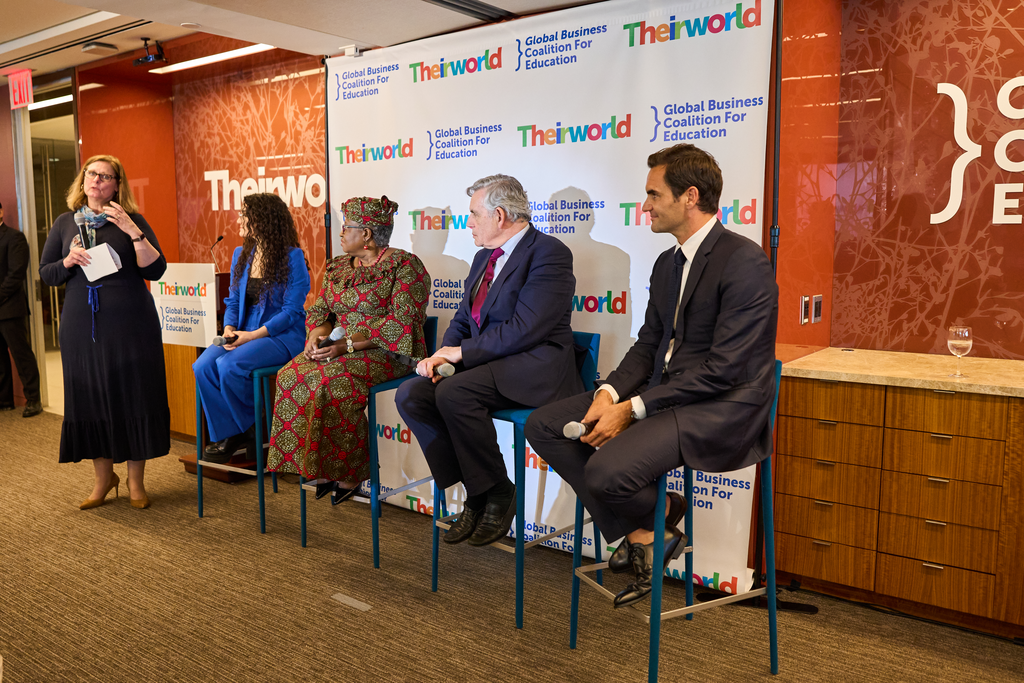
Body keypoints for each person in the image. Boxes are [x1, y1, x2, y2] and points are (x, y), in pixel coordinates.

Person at [525, 144, 779, 608]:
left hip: (723, 406)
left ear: (690, 197)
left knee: (605, 471)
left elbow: (726, 368)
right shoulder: (667, 264)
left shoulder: (744, 262)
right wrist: (608, 393)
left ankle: (652, 521)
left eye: (652, 194)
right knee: (543, 425)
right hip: (668, 395)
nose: (644, 206)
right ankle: (652, 524)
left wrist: (633, 408)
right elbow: (648, 346)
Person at [396, 174, 582, 547]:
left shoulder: (549, 252)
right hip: (489, 364)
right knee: (411, 394)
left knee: (454, 393)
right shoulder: (484, 257)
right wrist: (440, 355)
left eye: (473, 215)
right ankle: (478, 488)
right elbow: (464, 319)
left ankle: (496, 491)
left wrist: (461, 354)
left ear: (499, 215)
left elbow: (526, 328)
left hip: (535, 366)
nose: (469, 224)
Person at [266, 196, 430, 503]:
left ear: (366, 234)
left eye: (346, 228)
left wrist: (346, 346)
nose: (340, 234)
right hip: (338, 346)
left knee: (333, 380)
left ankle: (349, 471)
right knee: (290, 375)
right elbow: (321, 310)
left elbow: (403, 323)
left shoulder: (405, 267)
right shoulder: (337, 266)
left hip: (386, 350)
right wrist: (317, 335)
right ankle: (317, 465)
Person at [39, 154, 170, 510]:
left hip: (131, 326)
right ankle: (102, 481)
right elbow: (46, 273)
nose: (97, 180)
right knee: (93, 399)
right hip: (83, 327)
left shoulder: (131, 220)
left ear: (117, 185)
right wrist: (67, 262)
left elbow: (156, 270)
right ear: (83, 182)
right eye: (92, 174)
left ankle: (135, 483)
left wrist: (134, 232)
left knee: (133, 396)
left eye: (106, 176)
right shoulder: (65, 222)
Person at [193, 193, 310, 463]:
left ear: (264, 220)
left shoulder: (293, 257)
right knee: (202, 366)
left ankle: (250, 429)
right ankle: (236, 431)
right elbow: (233, 299)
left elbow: (292, 311)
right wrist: (230, 328)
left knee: (228, 366)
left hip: (279, 336)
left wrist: (253, 335)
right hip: (243, 331)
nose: (240, 219)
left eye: (245, 215)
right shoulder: (240, 254)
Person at [0, 201, 42, 418]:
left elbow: (16, 274)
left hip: (9, 309)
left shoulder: (14, 237)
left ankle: (33, 400)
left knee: (21, 355)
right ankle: (4, 400)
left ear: (1, 211)